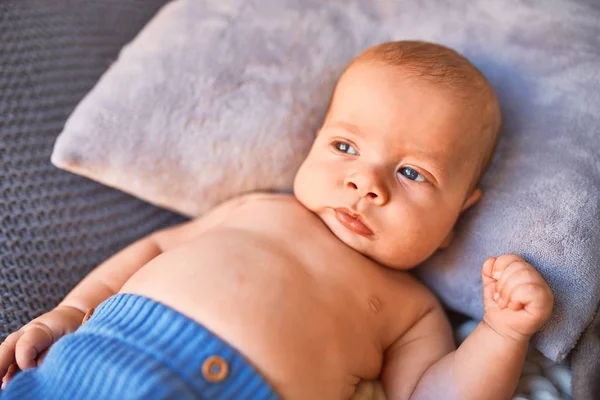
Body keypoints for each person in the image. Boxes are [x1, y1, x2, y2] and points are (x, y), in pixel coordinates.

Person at [0, 40, 553, 400]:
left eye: (412, 173)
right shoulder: (257, 208)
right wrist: (71, 311)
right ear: (312, 145)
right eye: (345, 146)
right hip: (91, 365)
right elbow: (149, 252)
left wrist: (501, 333)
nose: (367, 183)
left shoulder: (414, 311)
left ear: (458, 216)